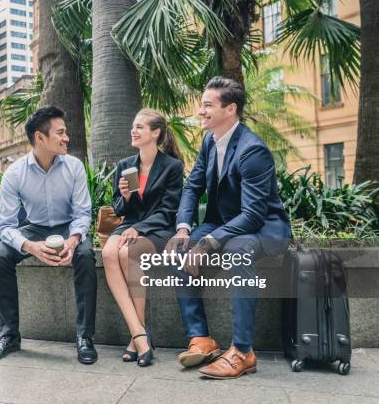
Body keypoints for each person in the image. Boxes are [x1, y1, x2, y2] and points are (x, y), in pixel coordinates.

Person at [166, 76, 291, 379]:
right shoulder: (210, 141)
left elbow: (252, 215)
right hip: (224, 223)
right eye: (201, 104)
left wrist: (207, 242)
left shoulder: (252, 151)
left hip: (264, 228)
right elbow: (192, 187)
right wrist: (184, 230)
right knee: (178, 251)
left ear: (230, 109)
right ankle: (201, 337)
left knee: (236, 250)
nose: (201, 111)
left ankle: (243, 352)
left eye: (208, 105)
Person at [0, 106, 98, 365]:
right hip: (34, 228)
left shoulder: (75, 166)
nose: (67, 138)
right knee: (0, 256)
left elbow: (82, 213)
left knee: (86, 255)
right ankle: (9, 336)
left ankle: (85, 337)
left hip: (68, 226)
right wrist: (30, 246)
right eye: (61, 133)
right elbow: (6, 225)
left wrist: (73, 239)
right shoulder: (14, 173)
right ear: (40, 138)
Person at [102, 108, 184, 367]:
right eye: (133, 126)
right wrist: (124, 198)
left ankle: (136, 338)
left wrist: (140, 228)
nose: (133, 130)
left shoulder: (172, 167)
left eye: (139, 127)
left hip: (158, 229)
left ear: (155, 133)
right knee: (108, 253)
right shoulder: (125, 166)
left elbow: (169, 210)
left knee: (128, 252)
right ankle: (139, 332)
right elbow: (118, 209)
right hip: (130, 224)